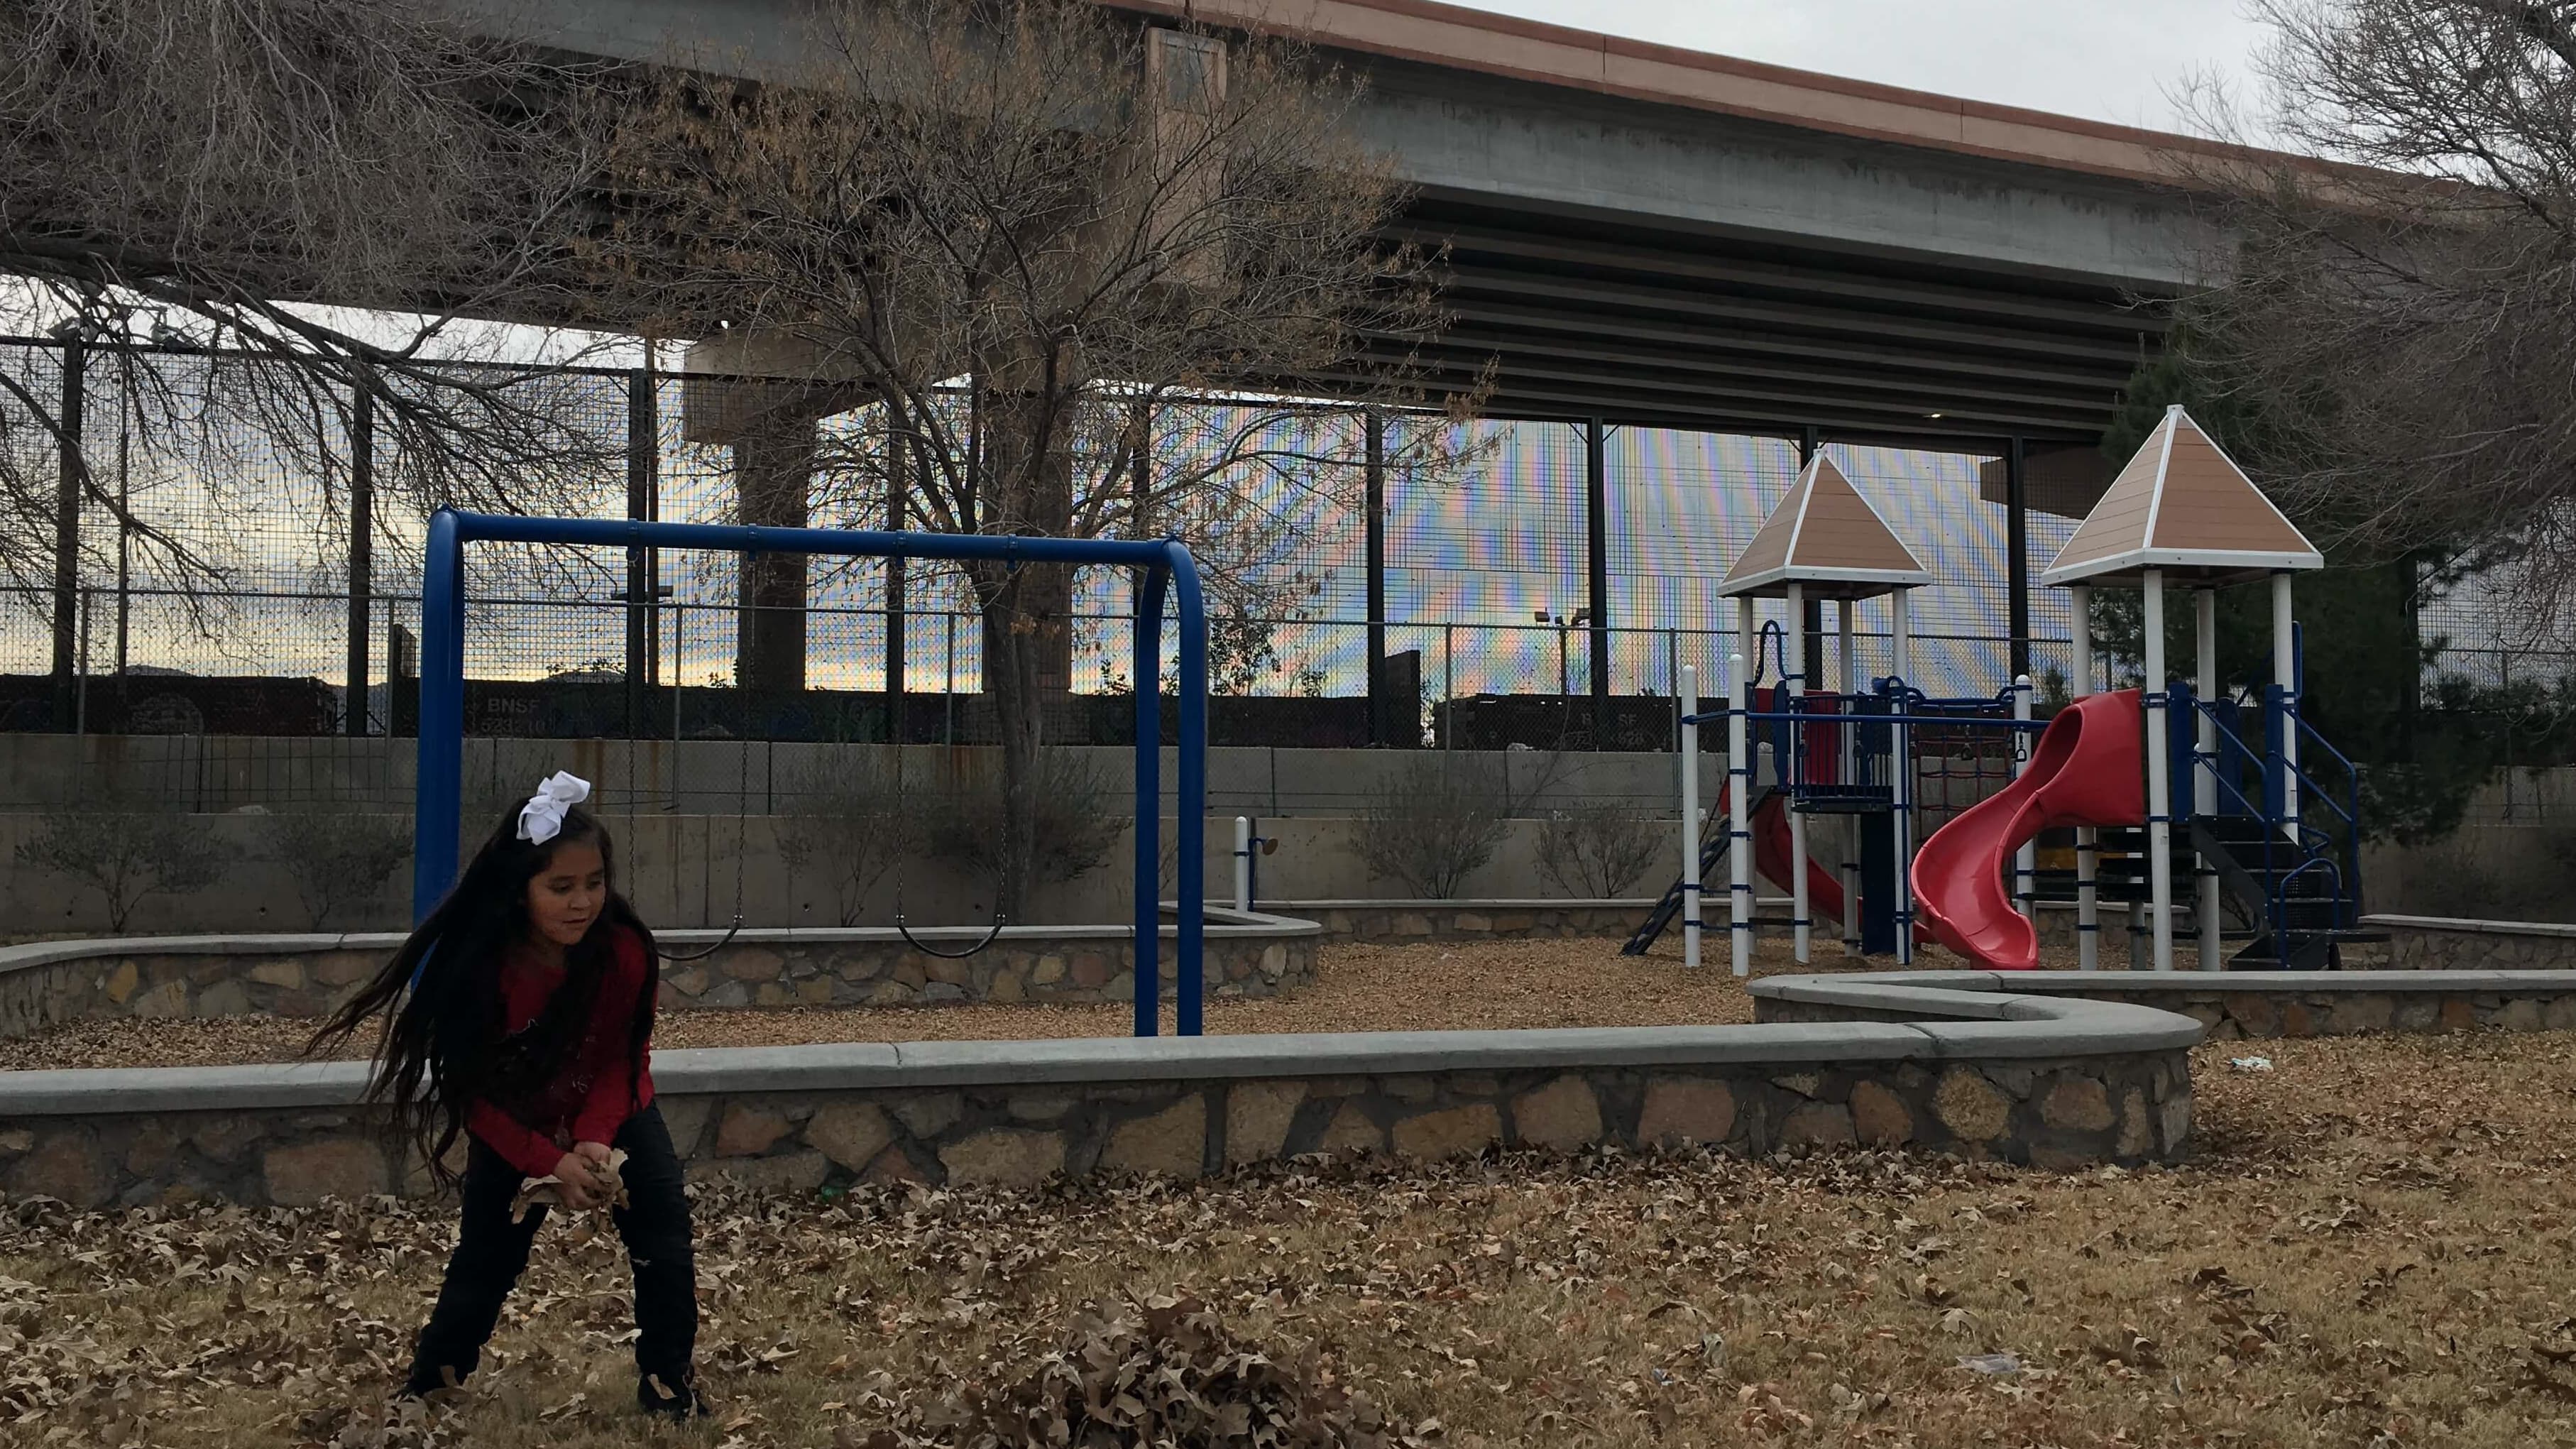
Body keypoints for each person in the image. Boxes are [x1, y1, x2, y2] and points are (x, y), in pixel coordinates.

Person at [312, 771, 703, 1419]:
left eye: (594, 883)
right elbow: (474, 1093)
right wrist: (545, 1160)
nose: (582, 902)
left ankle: (669, 1387)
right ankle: (431, 1388)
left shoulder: (626, 950)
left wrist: (596, 1138)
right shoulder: (478, 967)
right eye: (560, 887)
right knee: (485, 1262)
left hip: (612, 1108)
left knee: (665, 1241)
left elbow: (624, 1057)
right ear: (519, 891)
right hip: (510, 1118)